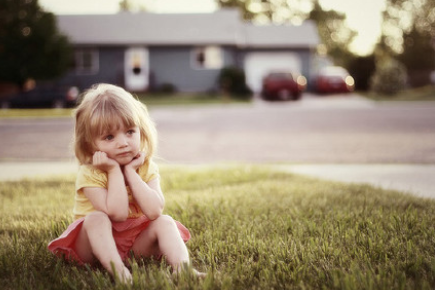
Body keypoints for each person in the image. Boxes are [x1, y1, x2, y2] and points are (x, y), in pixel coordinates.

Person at [48, 83, 203, 283]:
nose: (123, 142)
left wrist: (130, 172)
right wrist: (113, 170)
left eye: (130, 131)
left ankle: (183, 270)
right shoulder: (90, 173)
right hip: (95, 247)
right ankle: (119, 271)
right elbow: (118, 213)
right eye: (109, 137)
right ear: (90, 144)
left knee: (165, 221)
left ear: (141, 130)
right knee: (96, 218)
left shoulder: (145, 167)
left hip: (133, 245)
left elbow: (155, 210)